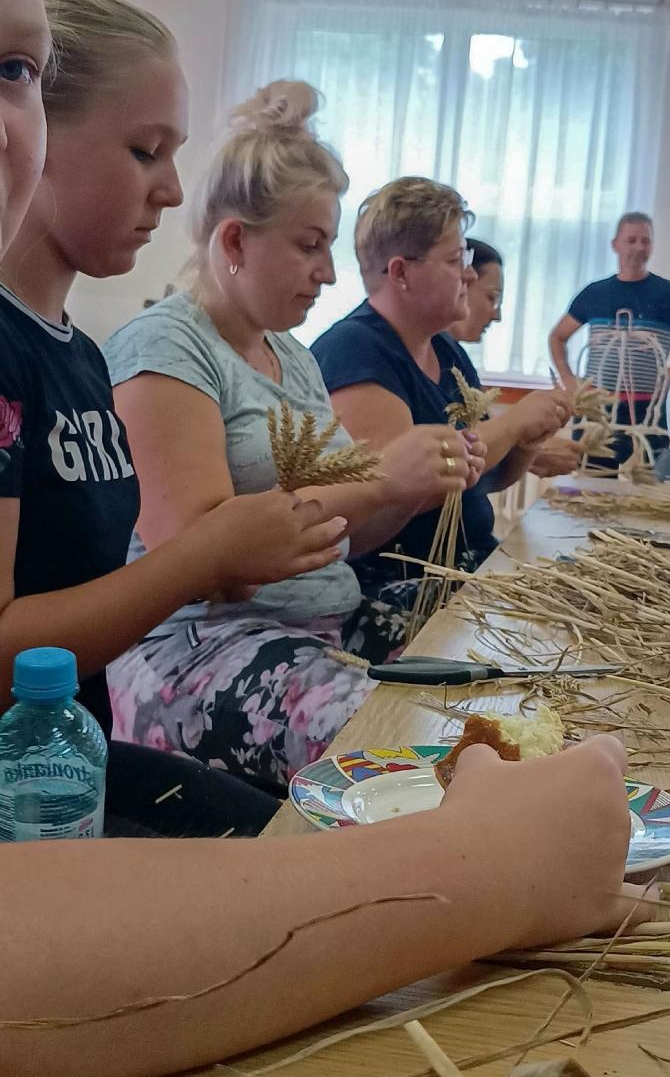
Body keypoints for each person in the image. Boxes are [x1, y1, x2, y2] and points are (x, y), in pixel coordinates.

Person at [0, 0, 655, 1072]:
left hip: (135, 708)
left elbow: (322, 519)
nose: (165, 187)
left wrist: (426, 470)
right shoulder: (152, 351)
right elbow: (207, 544)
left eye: (17, 75)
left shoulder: (142, 356)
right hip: (189, 664)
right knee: (390, 772)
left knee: (413, 763)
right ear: (239, 245)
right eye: (309, 243)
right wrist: (393, 478)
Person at [0, 0, 350, 749]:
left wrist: (228, 561)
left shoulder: (83, 359)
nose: (173, 189)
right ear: (36, 135)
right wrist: (202, 556)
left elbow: (113, 585)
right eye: (143, 151)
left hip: (77, 752)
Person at [104, 83, 483, 786]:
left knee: (485, 660)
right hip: (195, 650)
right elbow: (203, 558)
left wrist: (408, 491)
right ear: (234, 241)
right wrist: (378, 477)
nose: (330, 273)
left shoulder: (295, 357)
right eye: (310, 246)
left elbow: (338, 542)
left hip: (316, 630)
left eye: (330, 246)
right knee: (410, 754)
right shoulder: (167, 348)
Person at [311, 178, 572, 602]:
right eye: (455, 259)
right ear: (400, 273)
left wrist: (528, 439)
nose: (469, 273)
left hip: (464, 572)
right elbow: (383, 513)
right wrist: (514, 422)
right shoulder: (356, 353)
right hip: (400, 590)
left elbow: (484, 479)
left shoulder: (444, 348)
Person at [549, 212, 670, 469]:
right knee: (591, 489)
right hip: (597, 414)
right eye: (631, 240)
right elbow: (557, 336)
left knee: (644, 496)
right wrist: (570, 382)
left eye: (645, 241)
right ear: (615, 244)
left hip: (648, 414)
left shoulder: (669, 294)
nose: (639, 247)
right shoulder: (594, 294)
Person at [454, 237, 583, 480]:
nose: (498, 315)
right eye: (492, 298)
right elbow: (444, 465)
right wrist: (516, 424)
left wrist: (528, 446)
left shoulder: (456, 360)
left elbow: (486, 470)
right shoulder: (373, 345)